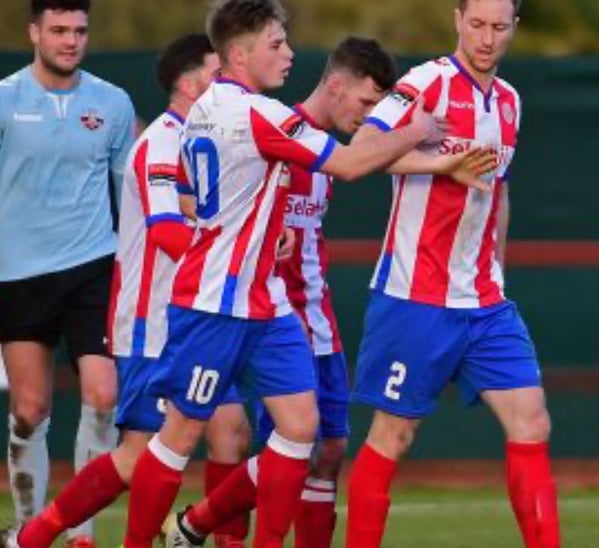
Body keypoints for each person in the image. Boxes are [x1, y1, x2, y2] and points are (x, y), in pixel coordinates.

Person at [118, 0, 494, 546]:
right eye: (276, 44)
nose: (289, 54)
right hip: (214, 302)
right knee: (179, 435)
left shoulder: (207, 108)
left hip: (266, 302)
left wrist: (270, 231)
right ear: (239, 54)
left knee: (301, 428)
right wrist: (418, 129)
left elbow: (217, 191)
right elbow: (351, 163)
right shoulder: (260, 114)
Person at [0, 32, 255, 548]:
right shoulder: (160, 142)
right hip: (153, 323)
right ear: (190, 85)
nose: (229, 84)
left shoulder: (212, 143)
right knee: (138, 455)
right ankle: (35, 534)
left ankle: (200, 533)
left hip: (203, 316)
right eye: (217, 74)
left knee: (232, 431)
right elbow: (166, 231)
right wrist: (229, 258)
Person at [344, 1, 561, 547]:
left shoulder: (509, 101)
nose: (487, 38)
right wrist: (440, 162)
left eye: (500, 27)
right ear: (457, 19)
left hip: (484, 300)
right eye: (478, 24)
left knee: (532, 422)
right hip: (414, 294)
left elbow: (498, 193)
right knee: (394, 435)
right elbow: (360, 151)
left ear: (515, 27)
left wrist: (496, 271)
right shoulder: (427, 84)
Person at [0, 0, 134, 545]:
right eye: (58, 30)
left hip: (92, 268)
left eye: (79, 30)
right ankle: (27, 529)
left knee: (103, 397)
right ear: (34, 33)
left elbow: (132, 192)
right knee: (30, 410)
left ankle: (81, 532)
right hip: (18, 275)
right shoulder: (5, 99)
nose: (70, 40)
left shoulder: (113, 102)